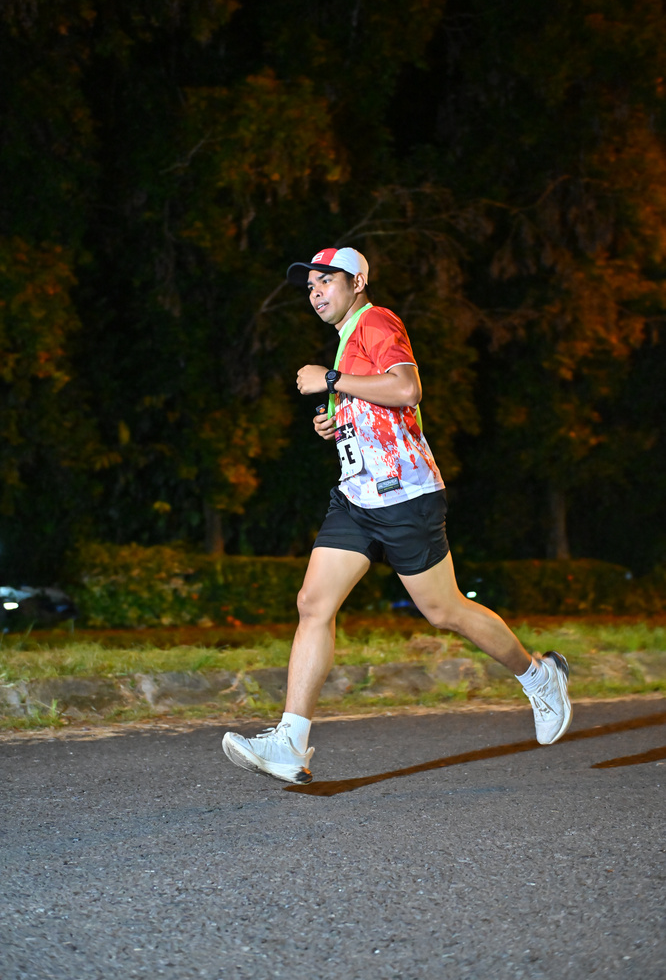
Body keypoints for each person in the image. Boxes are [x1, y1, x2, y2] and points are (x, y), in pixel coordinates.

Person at [223, 247, 572, 784]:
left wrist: (331, 379)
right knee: (313, 603)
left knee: (445, 611)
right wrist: (334, 422)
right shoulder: (347, 338)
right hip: (357, 498)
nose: (315, 293)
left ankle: (538, 676)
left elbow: (407, 389)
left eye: (326, 281)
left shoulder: (377, 321)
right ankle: (290, 742)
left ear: (357, 282)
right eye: (310, 286)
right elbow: (372, 407)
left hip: (405, 497)